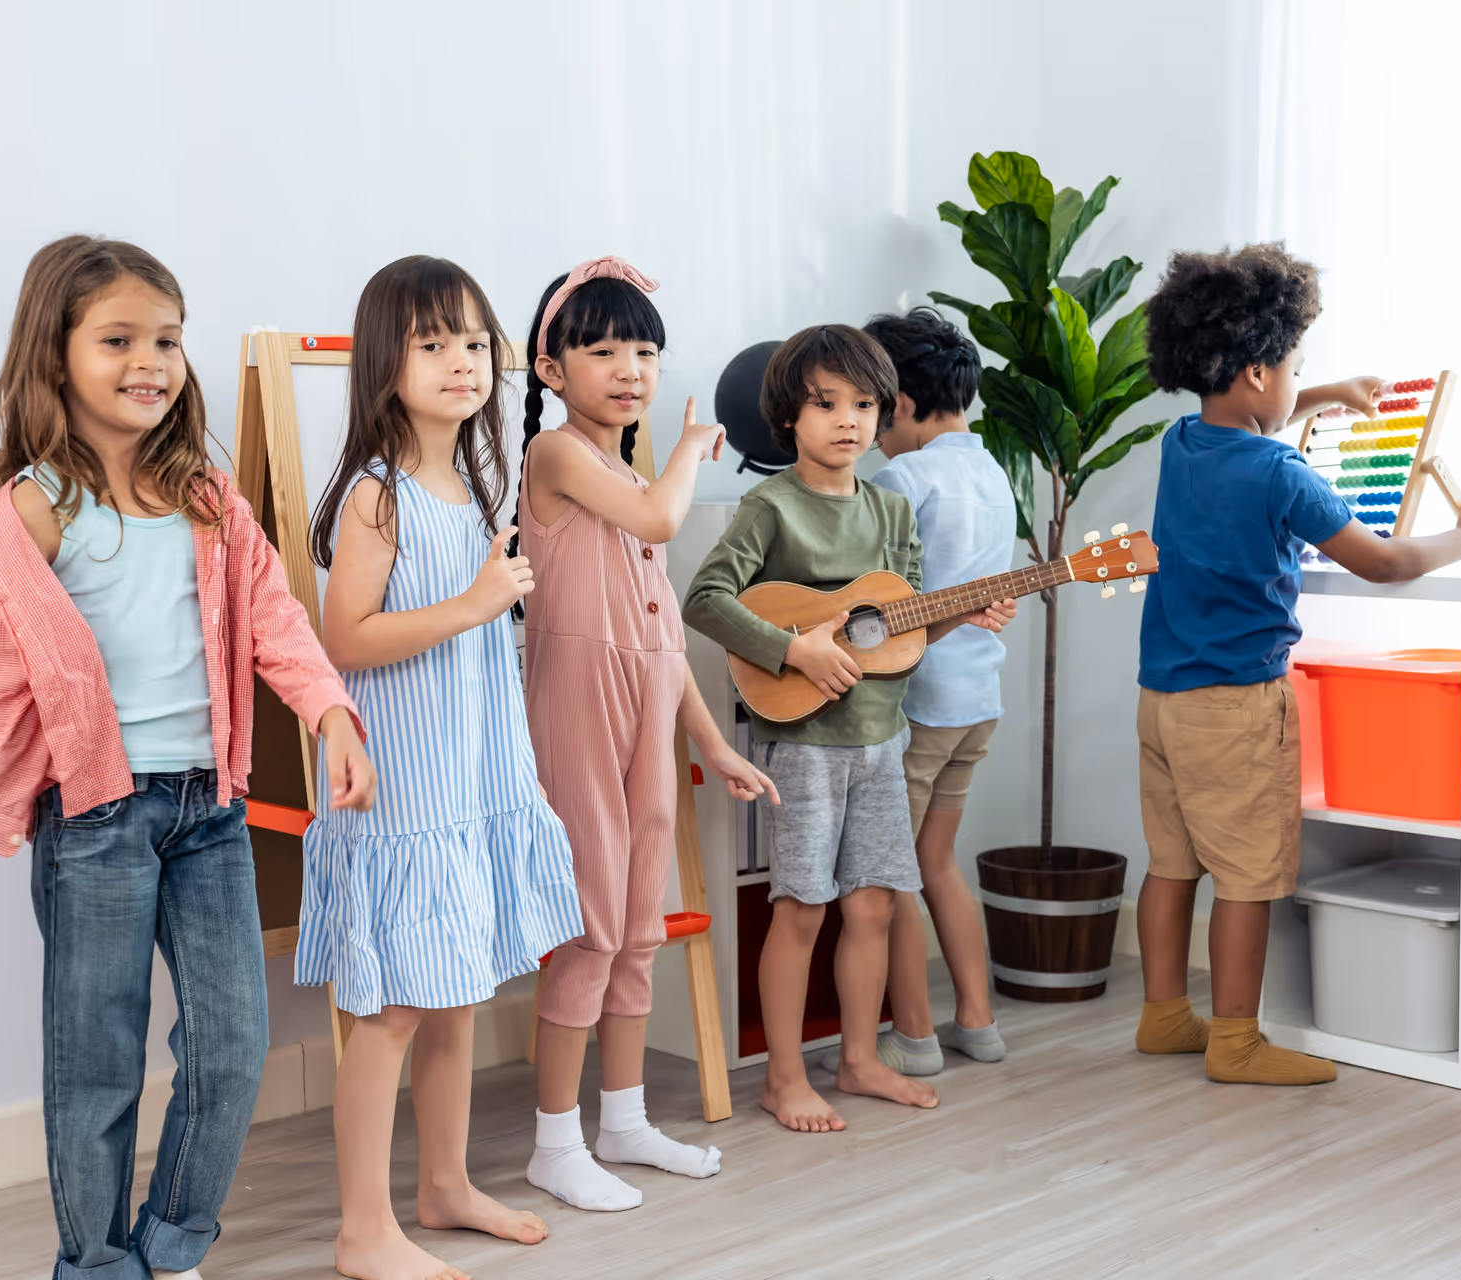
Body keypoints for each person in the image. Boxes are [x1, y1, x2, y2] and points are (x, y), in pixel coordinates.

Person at [0, 234, 376, 1280]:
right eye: (117, 339)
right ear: (56, 353)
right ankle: (94, 1264)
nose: (150, 361)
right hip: (93, 824)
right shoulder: (27, 513)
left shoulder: (207, 497)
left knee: (233, 1042)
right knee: (97, 1065)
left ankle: (170, 1246)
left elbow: (276, 619)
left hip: (211, 812)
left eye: (167, 338)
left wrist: (331, 715)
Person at [1133, 242, 1461, 1085]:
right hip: (1237, 705)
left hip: (1162, 699)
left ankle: (1164, 1016)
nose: (1299, 380)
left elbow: (1247, 427)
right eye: (1296, 367)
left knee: (1171, 864)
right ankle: (1236, 1043)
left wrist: (1323, 394)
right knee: (1247, 876)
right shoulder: (1280, 471)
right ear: (1258, 372)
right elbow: (1383, 561)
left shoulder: (1181, 442)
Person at [301, 256, 586, 1280]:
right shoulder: (377, 497)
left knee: (457, 992)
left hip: (470, 779)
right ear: (386, 362)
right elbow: (346, 637)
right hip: (406, 792)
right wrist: (473, 604)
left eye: (473, 341)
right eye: (433, 343)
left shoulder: (467, 485)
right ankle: (362, 1229)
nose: (463, 361)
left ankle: (446, 1185)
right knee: (392, 1013)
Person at [683, 325, 1011, 1133]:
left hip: (882, 737)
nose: (849, 421)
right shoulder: (770, 507)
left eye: (864, 405)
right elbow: (706, 600)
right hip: (804, 746)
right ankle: (784, 1078)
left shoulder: (892, 507)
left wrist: (962, 612)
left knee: (872, 905)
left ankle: (860, 1059)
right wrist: (793, 648)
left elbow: (897, 628)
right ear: (787, 416)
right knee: (801, 907)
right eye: (826, 404)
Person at [515, 258, 777, 1213]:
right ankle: (554, 1144)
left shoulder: (627, 473)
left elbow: (663, 637)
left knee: (637, 929)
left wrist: (711, 742)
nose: (630, 369)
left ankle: (621, 1121)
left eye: (645, 351)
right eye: (603, 350)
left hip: (645, 718)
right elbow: (664, 514)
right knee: (590, 930)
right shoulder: (556, 458)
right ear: (552, 370)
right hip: (578, 706)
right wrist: (693, 447)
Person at [857, 307, 1016, 1075]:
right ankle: (978, 1022)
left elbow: (878, 600)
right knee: (938, 860)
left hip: (918, 703)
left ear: (902, 404)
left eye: (870, 410)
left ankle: (914, 1037)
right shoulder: (993, 472)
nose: (868, 433)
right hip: (977, 700)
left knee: (892, 873)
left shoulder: (904, 476)